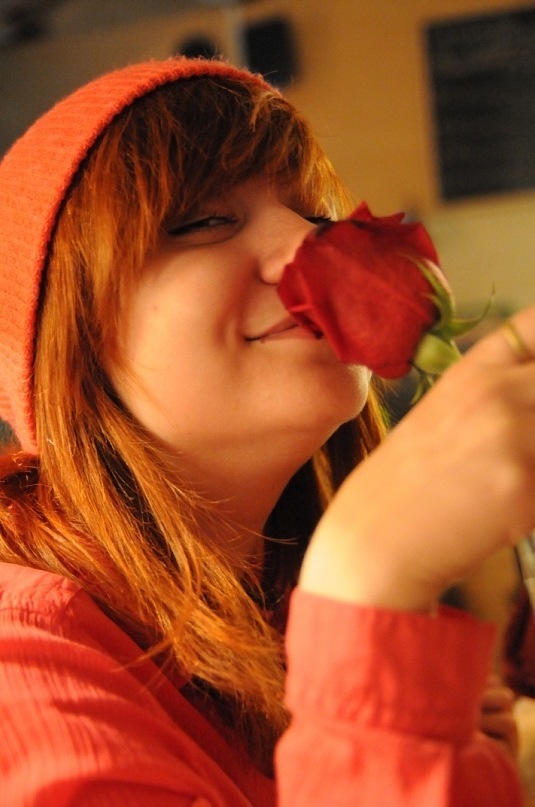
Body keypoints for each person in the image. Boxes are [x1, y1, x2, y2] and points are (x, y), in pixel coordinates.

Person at [0, 56, 529, 805]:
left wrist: (423, 740)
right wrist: (367, 594)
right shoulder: (23, 668)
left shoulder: (280, 629)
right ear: (65, 342)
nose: (306, 246)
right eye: (203, 221)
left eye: (317, 215)